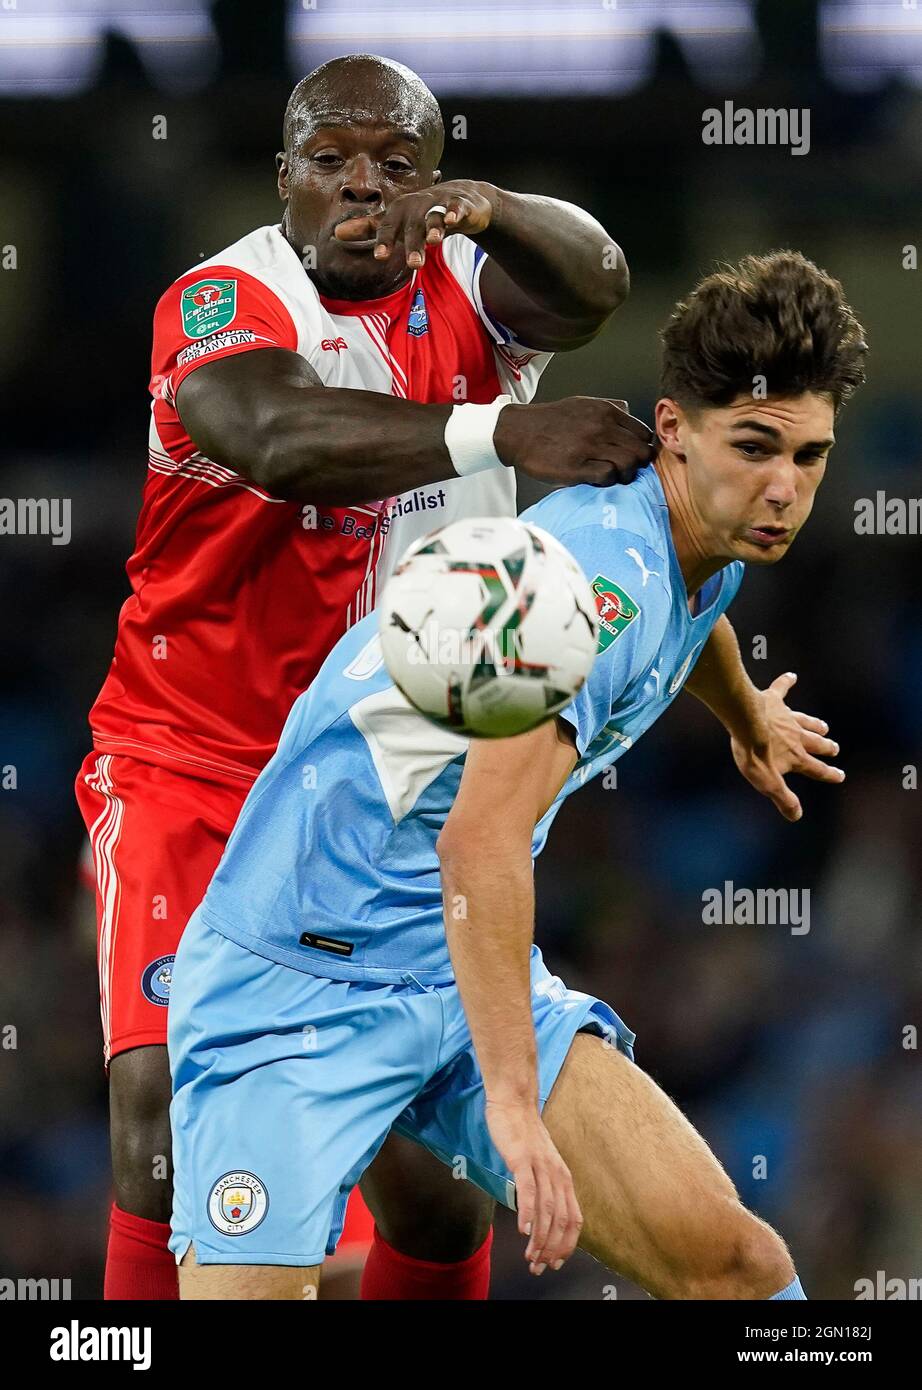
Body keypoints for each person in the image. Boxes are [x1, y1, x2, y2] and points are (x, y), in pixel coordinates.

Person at [167, 250, 868, 1298]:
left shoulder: (696, 533)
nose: (783, 488)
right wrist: (510, 1105)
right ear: (672, 430)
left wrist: (746, 714)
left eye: (808, 458)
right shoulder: (582, 586)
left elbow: (695, 609)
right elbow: (479, 841)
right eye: (756, 448)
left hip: (452, 967)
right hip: (295, 980)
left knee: (740, 1268)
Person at [74, 52, 652, 1301]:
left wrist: (498, 213)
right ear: (283, 178)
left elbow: (598, 280)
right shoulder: (224, 299)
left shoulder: (471, 291)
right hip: (195, 759)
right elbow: (276, 438)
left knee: (440, 1198)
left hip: (381, 775)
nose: (362, 188)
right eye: (330, 160)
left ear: (434, 184)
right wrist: (500, 428)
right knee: (163, 1118)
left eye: (398, 166)